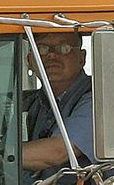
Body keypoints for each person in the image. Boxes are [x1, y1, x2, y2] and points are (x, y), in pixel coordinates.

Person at [21, 31, 92, 173]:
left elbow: (57, 152)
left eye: (64, 48)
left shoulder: (97, 100)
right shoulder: (35, 102)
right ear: (30, 61)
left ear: (81, 58)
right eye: (41, 49)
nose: (52, 55)